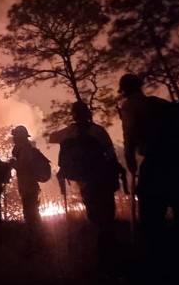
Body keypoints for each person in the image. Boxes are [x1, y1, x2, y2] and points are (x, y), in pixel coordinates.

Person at [119, 73, 179, 255]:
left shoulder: (129, 105)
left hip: (155, 162)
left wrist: (130, 162)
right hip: (176, 161)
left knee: (151, 214)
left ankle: (159, 256)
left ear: (125, 90)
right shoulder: (161, 104)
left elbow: (129, 137)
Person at [49, 100, 126, 275]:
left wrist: (69, 132)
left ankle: (104, 255)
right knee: (107, 217)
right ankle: (109, 255)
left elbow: (52, 137)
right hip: (102, 180)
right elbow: (111, 154)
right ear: (88, 113)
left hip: (85, 181)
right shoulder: (98, 131)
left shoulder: (69, 132)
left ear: (74, 115)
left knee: (96, 217)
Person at [8, 125, 44, 236]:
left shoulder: (25, 150)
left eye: (15, 136)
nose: (13, 139)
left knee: (31, 214)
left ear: (20, 137)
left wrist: (13, 164)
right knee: (31, 214)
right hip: (27, 187)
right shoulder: (22, 150)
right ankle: (38, 237)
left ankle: (38, 238)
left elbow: (23, 167)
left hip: (29, 187)